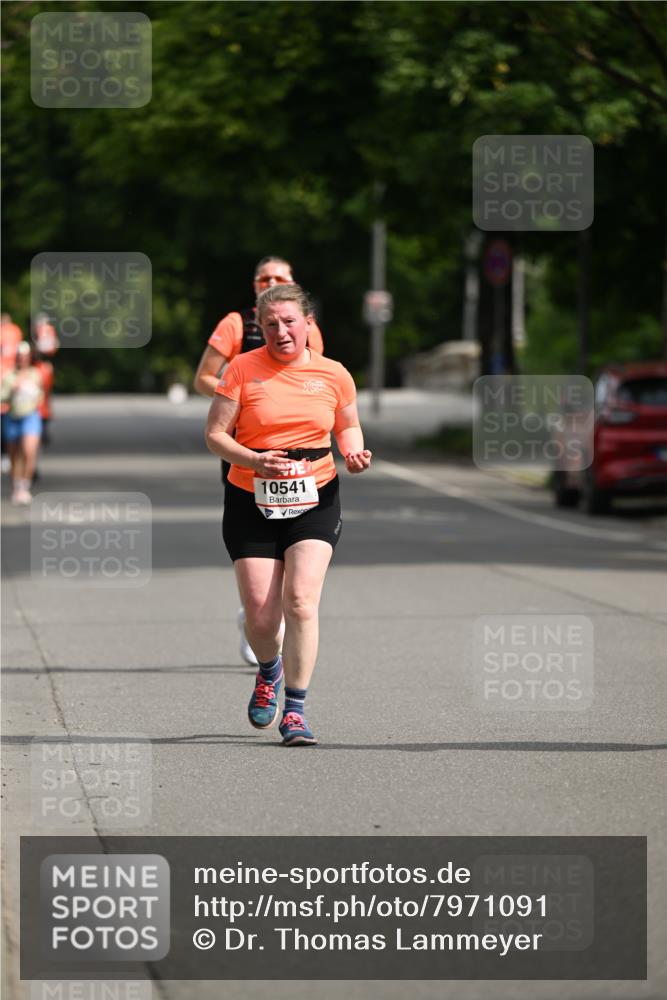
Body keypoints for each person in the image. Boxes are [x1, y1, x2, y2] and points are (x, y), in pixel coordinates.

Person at [205, 283, 371, 746]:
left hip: (314, 495)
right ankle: (269, 669)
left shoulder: (334, 374)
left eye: (290, 322)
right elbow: (215, 435)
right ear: (260, 327)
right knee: (261, 619)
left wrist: (353, 453)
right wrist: (256, 460)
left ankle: (295, 710)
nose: (281, 332)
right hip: (250, 498)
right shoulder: (241, 369)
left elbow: (349, 425)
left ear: (308, 324)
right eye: (271, 324)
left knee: (300, 602)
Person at [194, 256, 324, 667]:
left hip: (298, 454)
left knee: (297, 536)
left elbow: (318, 377)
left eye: (279, 277)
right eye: (263, 278)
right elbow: (203, 378)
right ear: (253, 286)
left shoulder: (305, 326)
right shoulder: (236, 323)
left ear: (293, 282)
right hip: (245, 446)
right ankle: (256, 612)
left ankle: (272, 610)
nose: (270, 281)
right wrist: (244, 392)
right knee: (257, 527)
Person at [1, 341, 45, 504]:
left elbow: (41, 395)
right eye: (20, 356)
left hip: (30, 416)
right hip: (12, 416)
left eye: (25, 356)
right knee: (14, 456)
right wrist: (12, 389)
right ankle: (16, 487)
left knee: (29, 451)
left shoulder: (35, 373)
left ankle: (24, 487)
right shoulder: (9, 375)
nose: (22, 359)